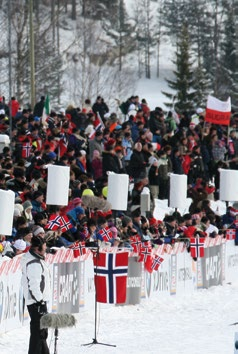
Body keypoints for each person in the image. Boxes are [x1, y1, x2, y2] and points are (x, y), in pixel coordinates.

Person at [21, 236, 50, 354]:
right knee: (38, 334)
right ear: (37, 249)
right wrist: (40, 302)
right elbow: (33, 286)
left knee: (41, 333)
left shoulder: (37, 258)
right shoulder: (34, 263)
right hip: (36, 303)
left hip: (38, 301)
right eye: (44, 248)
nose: (46, 250)